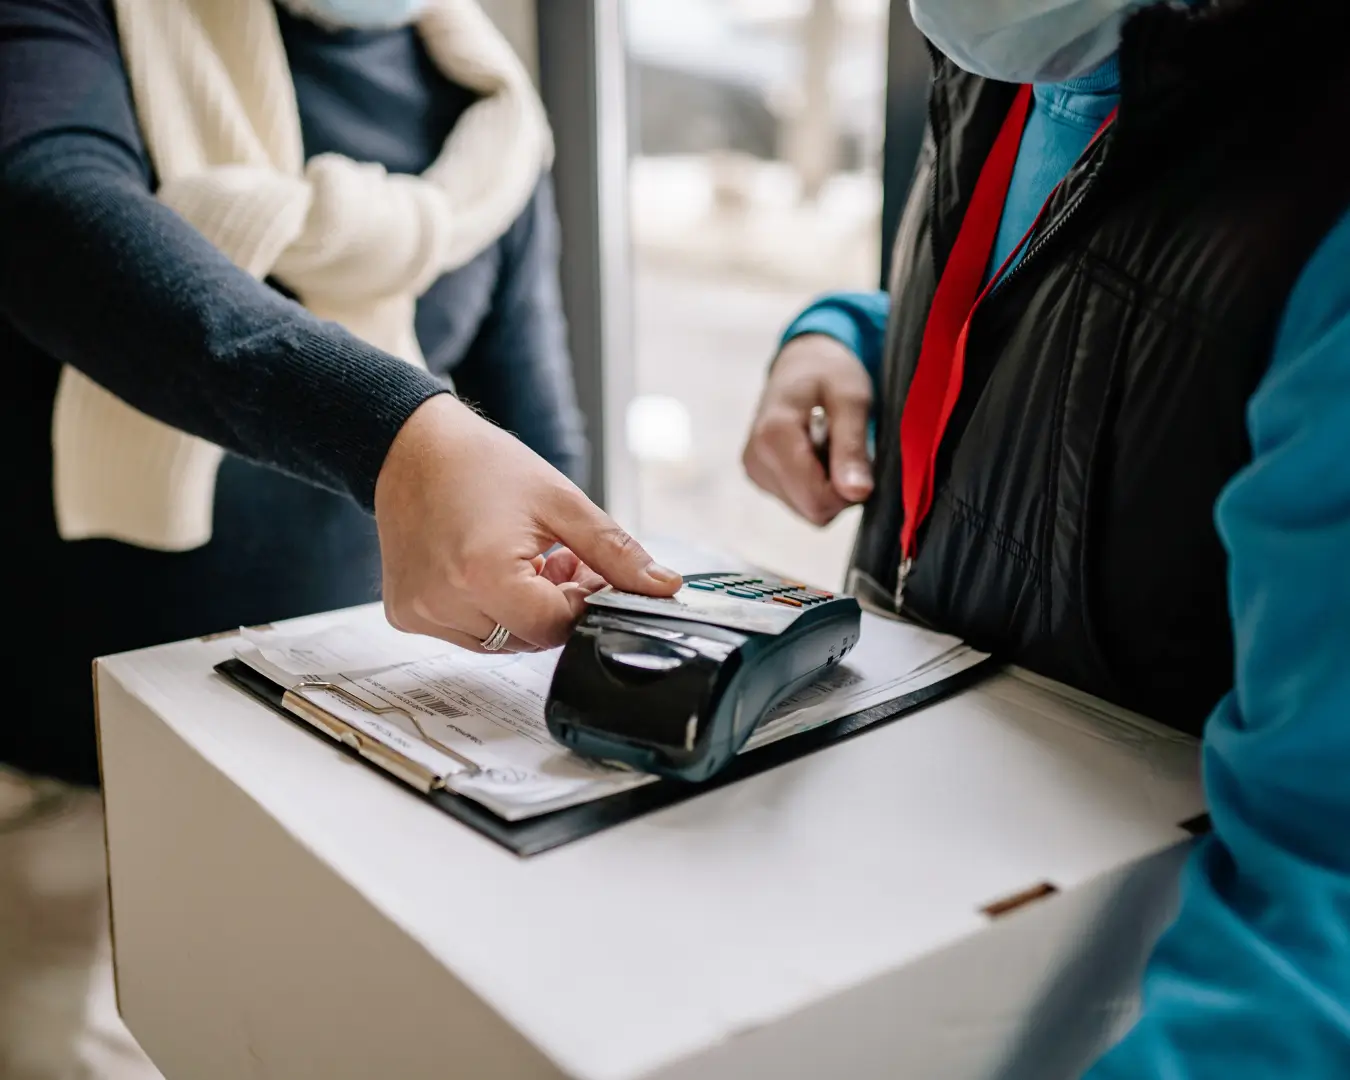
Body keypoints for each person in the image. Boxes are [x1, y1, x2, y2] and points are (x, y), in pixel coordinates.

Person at [744, 0, 1349, 1074]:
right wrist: (847, 334)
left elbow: (1321, 904)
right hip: (936, 888)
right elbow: (1058, 308)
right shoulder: (1019, 59)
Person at [0, 0, 681, 788]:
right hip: (70, 754)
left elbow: (538, 434)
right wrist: (395, 434)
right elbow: (45, 204)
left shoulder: (494, 114)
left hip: (358, 739)